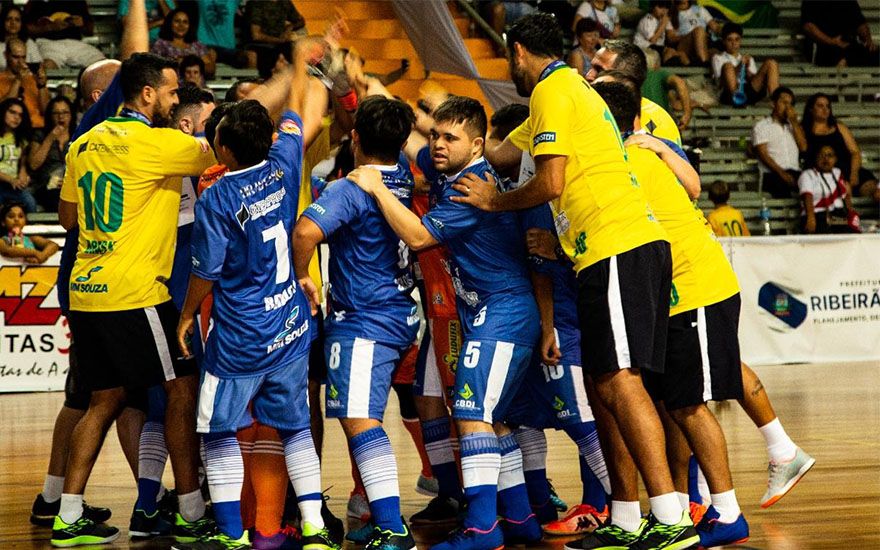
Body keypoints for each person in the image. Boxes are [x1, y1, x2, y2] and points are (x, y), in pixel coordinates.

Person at [452, 13, 699, 549]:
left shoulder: (555, 90)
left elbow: (550, 180)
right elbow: (499, 153)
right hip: (601, 252)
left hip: (619, 244)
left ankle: (671, 517)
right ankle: (627, 516)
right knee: (602, 384)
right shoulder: (562, 91)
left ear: (517, 52)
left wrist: (495, 200)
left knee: (622, 382)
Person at [347, 95, 542, 550]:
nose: (437, 144)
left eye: (449, 138)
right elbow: (413, 143)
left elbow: (418, 237)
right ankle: (519, 518)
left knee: (472, 413)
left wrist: (376, 187)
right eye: (435, 134)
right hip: (484, 310)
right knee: (491, 420)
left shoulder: (468, 186)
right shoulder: (448, 169)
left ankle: (480, 528)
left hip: (504, 312)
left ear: (476, 145)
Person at [174, 40, 338, 550]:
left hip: (242, 333)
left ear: (223, 151)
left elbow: (206, 272)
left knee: (219, 431)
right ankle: (312, 528)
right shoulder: (286, 160)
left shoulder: (217, 197)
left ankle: (229, 534)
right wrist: (304, 66)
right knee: (294, 430)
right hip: (290, 323)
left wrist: (185, 316)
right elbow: (299, 111)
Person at [52, 52, 216, 547]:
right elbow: (224, 152)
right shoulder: (160, 143)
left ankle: (69, 515)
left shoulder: (83, 144)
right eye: (170, 92)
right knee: (181, 390)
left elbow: (67, 219)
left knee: (101, 401)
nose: (174, 99)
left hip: (87, 294)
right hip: (137, 292)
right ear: (148, 94)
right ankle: (190, 511)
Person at [595, 79, 749, 547]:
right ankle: (684, 508)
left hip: (696, 290)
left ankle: (728, 512)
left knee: (691, 407)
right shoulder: (634, 155)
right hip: (674, 295)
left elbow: (694, 186)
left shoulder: (631, 161)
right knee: (679, 405)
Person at [31, 0, 151, 534]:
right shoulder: (104, 120)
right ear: (106, 95)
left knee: (83, 397)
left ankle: (52, 498)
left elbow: (64, 215)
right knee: (114, 397)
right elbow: (139, 59)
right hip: (101, 284)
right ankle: (153, 499)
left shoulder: (91, 138)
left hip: (81, 279)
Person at [293, 95, 420, 550]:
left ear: (356, 139)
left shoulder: (350, 188)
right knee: (382, 415)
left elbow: (305, 231)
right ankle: (373, 513)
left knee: (359, 419)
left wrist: (304, 276)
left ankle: (391, 524)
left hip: (365, 319)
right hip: (402, 312)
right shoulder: (403, 177)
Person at [586, 39, 685, 150]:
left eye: (599, 70)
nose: (588, 75)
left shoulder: (661, 122)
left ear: (624, 79)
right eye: (591, 67)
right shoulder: (583, 108)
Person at [802, 93, 878, 203]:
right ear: (810, 109)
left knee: (876, 191)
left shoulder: (839, 127)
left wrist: (854, 174)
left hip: (850, 171)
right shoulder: (804, 132)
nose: (825, 109)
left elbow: (855, 152)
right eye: (820, 106)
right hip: (826, 176)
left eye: (828, 106)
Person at [751, 86, 806, 198]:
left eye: (790, 104)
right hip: (772, 173)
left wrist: (794, 122)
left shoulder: (794, 126)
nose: (787, 107)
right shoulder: (761, 126)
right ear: (773, 104)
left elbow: (803, 147)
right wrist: (782, 173)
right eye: (784, 103)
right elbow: (763, 155)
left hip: (795, 171)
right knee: (782, 191)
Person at [23, 0, 105, 69]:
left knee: (102, 64)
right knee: (48, 66)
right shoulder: (36, 2)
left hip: (75, 44)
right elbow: (26, 29)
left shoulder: (78, 1)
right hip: (48, 43)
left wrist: (82, 24)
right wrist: (50, 27)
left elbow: (90, 31)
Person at [712, 22, 779, 107]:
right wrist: (740, 66)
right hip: (728, 93)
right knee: (728, 66)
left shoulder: (748, 58)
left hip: (747, 91)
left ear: (740, 41)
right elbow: (720, 82)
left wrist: (747, 71)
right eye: (730, 39)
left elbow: (753, 81)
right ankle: (737, 99)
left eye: (737, 39)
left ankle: (776, 101)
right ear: (724, 41)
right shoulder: (718, 58)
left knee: (771, 63)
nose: (734, 43)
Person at [798, 145, 860, 234]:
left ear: (835, 159)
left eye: (829, 155)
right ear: (816, 158)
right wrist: (811, 218)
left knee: (853, 232)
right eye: (822, 155)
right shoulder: (808, 175)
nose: (825, 159)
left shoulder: (837, 173)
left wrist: (851, 213)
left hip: (837, 216)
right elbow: (807, 196)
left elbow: (846, 197)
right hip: (817, 216)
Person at [28, 96, 75, 211]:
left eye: (65, 112)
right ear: (50, 115)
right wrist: (50, 138)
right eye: (56, 113)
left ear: (71, 115)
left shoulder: (78, 135)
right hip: (46, 187)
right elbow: (34, 164)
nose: (61, 117)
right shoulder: (40, 135)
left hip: (72, 185)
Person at [801, 0, 879, 67]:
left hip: (849, 45)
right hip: (825, 47)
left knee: (875, 54)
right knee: (850, 53)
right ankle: (845, 63)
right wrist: (832, 41)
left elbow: (860, 23)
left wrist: (868, 40)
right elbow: (808, 27)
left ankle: (846, 62)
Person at [246, 0, 306, 78]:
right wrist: (279, 40)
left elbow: (300, 21)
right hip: (260, 45)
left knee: (296, 52)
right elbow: (256, 35)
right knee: (270, 56)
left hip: (280, 45)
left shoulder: (285, 2)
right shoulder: (256, 3)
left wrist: (290, 27)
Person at [151, 8, 216, 76]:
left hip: (196, 85)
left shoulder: (197, 45)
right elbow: (154, 69)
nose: (181, 25)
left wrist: (188, 63)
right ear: (170, 23)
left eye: (185, 22)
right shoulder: (160, 44)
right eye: (177, 21)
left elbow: (210, 69)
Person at [0, 39, 48, 128]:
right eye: (16, 57)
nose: (21, 62)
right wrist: (18, 81)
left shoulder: (33, 79)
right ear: (5, 55)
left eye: (23, 57)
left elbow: (46, 111)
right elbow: (3, 110)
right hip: (10, 129)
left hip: (37, 127)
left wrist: (41, 86)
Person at [641, 50, 693, 131]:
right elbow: (679, 82)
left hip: (640, 126)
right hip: (660, 123)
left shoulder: (633, 77)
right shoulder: (659, 74)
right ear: (657, 64)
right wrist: (687, 113)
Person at [0, 98, 34, 212]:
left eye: (20, 115)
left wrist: (22, 175)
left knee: (30, 203)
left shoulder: (21, 139)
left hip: (13, 186)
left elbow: (22, 163)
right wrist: (11, 180)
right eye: (12, 112)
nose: (16, 118)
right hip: (5, 182)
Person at [196, 0, 251, 68]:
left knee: (249, 57)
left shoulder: (233, 1)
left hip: (228, 48)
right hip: (206, 45)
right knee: (210, 54)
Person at [634, 0, 687, 66]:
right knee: (669, 51)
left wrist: (685, 36)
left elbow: (672, 35)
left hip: (658, 48)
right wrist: (663, 25)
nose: (664, 11)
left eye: (666, 8)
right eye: (660, 7)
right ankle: (665, 70)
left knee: (682, 54)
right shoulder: (646, 20)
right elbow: (653, 40)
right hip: (644, 48)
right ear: (653, 7)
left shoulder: (663, 20)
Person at [669, 0, 720, 66]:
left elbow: (715, 27)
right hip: (684, 45)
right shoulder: (671, 13)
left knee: (715, 53)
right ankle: (703, 64)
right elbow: (671, 38)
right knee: (699, 30)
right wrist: (692, 35)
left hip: (703, 42)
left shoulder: (700, 9)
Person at [0, 5, 42, 71]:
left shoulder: (29, 43)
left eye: (17, 20)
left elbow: (38, 68)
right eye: (8, 19)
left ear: (22, 23)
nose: (13, 23)